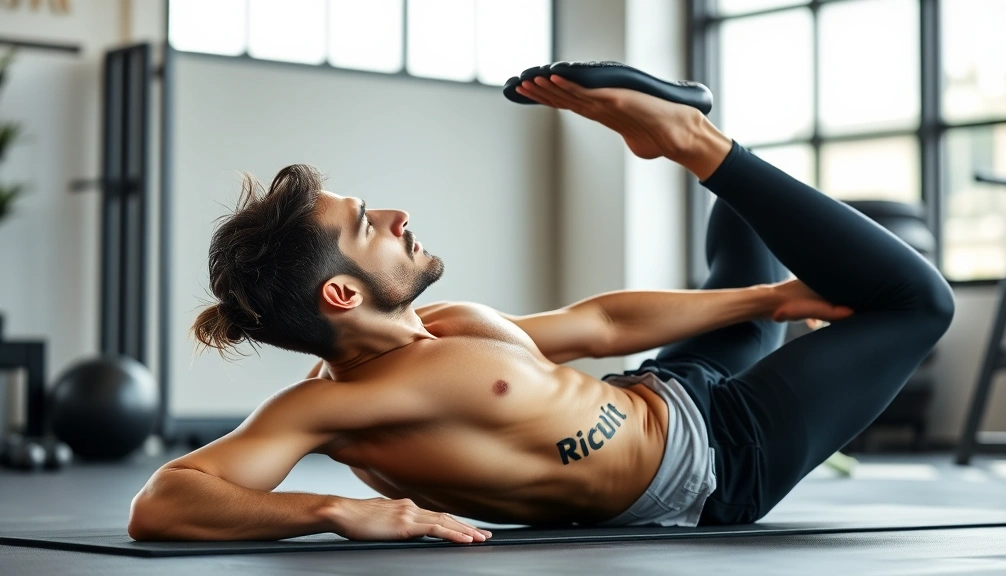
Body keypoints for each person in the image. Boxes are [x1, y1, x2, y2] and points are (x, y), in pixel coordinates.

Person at [127, 64, 954, 544]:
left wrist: (771, 300)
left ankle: (687, 133)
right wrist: (340, 511)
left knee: (747, 227)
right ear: (341, 292)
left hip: (662, 389)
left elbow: (603, 325)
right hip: (716, 465)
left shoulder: (444, 327)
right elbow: (162, 501)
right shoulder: (336, 408)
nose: (395, 217)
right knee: (916, 301)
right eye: (365, 224)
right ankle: (691, 139)